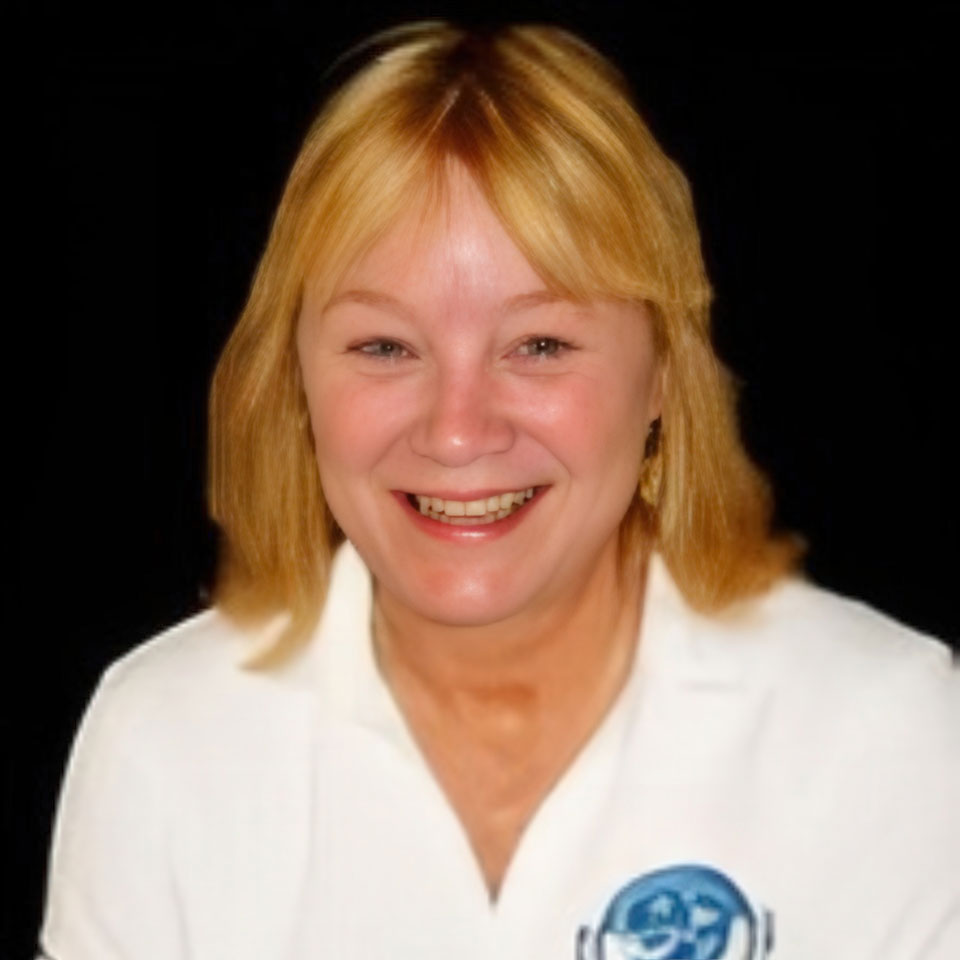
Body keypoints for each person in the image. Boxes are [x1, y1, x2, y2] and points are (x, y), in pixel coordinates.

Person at [38, 22, 958, 960]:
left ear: (664, 376)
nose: (457, 430)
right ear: (298, 380)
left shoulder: (883, 734)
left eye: (541, 346)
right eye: (385, 348)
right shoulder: (165, 739)